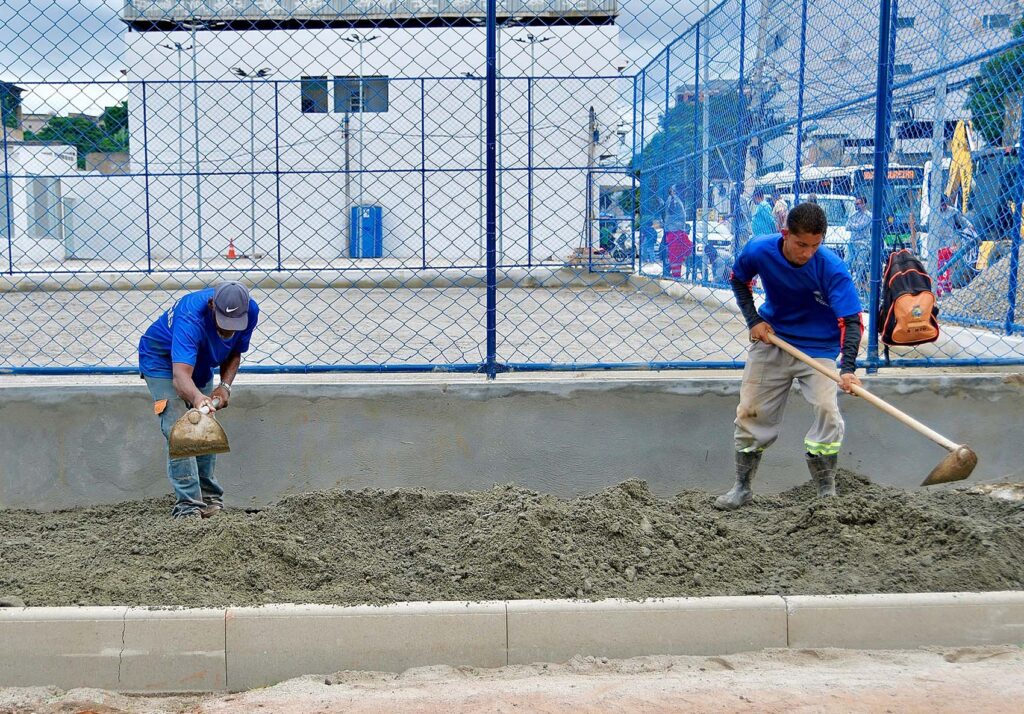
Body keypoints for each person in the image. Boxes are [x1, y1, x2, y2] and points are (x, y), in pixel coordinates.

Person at [716, 203, 864, 510]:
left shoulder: (832, 268)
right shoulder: (760, 249)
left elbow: (851, 321)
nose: (808, 253)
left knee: (827, 409)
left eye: (815, 245)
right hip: (774, 339)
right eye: (801, 244)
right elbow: (738, 280)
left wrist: (848, 369)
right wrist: (754, 321)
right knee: (751, 412)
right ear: (785, 234)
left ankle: (826, 493)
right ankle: (742, 489)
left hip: (819, 349)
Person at [138, 281, 260, 520]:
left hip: (201, 362)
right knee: (179, 427)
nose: (228, 331)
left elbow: (235, 351)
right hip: (163, 362)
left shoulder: (250, 311)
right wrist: (197, 398)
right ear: (212, 305)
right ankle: (189, 508)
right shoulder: (190, 316)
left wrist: (224, 387)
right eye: (224, 324)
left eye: (234, 326)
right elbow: (180, 376)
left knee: (204, 425)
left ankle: (210, 500)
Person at [663, 186, 692, 278]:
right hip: (674, 231)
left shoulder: (675, 199)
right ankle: (676, 275)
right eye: (685, 192)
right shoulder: (674, 200)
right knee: (676, 254)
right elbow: (671, 212)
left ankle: (675, 272)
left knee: (688, 248)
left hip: (678, 230)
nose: (686, 194)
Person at [845, 196, 872, 293]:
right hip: (852, 241)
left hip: (863, 242)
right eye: (855, 204)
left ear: (864, 204)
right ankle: (847, 282)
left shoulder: (869, 215)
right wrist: (855, 225)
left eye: (858, 204)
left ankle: (856, 286)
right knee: (847, 261)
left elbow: (860, 226)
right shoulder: (853, 214)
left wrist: (854, 225)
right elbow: (847, 226)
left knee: (860, 264)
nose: (856, 206)